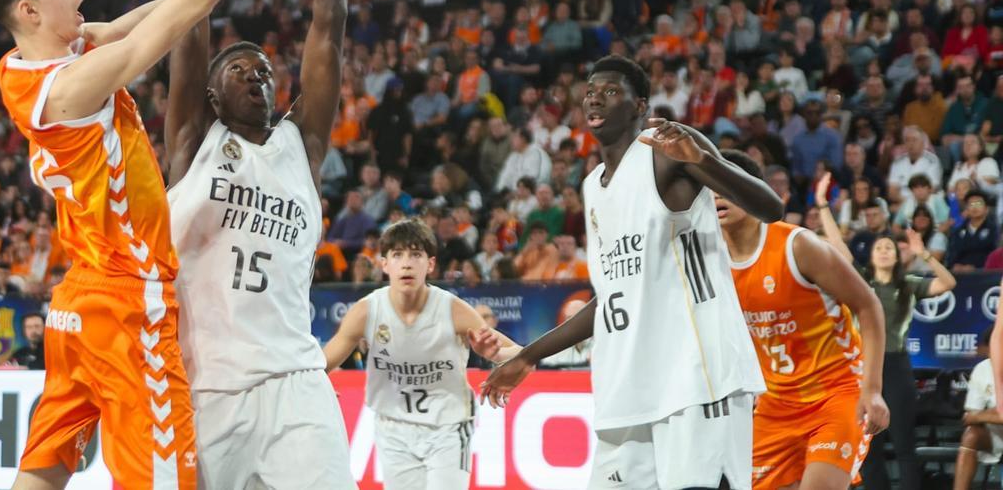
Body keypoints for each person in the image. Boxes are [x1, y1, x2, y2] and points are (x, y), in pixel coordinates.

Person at [0, 0, 232, 489]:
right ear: (28, 10)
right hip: (127, 298)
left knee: (44, 475)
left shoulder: (33, 64)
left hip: (78, 301)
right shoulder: (75, 85)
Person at [163, 0, 355, 489]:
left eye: (265, 69)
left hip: (297, 381)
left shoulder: (299, 147)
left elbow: (328, 21)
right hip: (208, 388)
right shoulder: (191, 141)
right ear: (210, 94)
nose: (259, 73)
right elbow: (190, 6)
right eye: (238, 67)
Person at [482, 55, 783, 490]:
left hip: (698, 375)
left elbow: (769, 207)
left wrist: (706, 160)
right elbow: (610, 297)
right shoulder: (591, 186)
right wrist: (529, 355)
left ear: (640, 105)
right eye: (589, 93)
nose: (595, 99)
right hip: (629, 383)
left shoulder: (667, 152)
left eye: (610, 91)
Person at [718, 154, 889, 490]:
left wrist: (872, 390)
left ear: (754, 191)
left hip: (837, 394)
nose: (717, 195)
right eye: (710, 187)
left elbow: (869, 306)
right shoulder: (712, 260)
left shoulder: (798, 246)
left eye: (727, 185)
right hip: (775, 402)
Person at [322, 219, 519, 490]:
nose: (406, 263)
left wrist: (491, 353)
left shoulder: (452, 309)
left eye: (416, 254)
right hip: (393, 430)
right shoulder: (367, 311)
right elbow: (322, 365)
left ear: (430, 264)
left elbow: (518, 354)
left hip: (447, 428)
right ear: (385, 264)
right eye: (398, 255)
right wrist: (315, 386)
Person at [845, 232, 956, 490]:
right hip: (864, 368)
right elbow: (840, 248)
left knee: (905, 444)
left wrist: (924, 254)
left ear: (897, 256)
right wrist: (823, 204)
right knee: (869, 447)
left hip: (897, 365)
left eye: (889, 248)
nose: (884, 251)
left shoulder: (908, 283)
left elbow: (948, 282)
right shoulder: (861, 281)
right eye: (879, 247)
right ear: (871, 256)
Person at [955, 331, 1003, 490]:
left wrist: (984, 415)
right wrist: (992, 415)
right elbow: (969, 418)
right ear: (990, 349)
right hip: (996, 435)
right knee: (971, 435)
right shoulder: (982, 369)